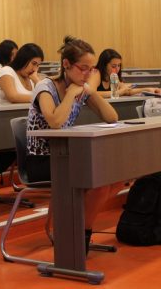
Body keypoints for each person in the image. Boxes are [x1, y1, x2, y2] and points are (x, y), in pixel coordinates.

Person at [27, 36, 118, 252]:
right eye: (83, 68)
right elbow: (55, 122)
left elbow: (111, 116)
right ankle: (78, 235)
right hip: (42, 160)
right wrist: (70, 95)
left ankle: (77, 231)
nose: (87, 74)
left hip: (66, 156)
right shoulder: (45, 87)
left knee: (114, 177)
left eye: (92, 69)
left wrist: (90, 90)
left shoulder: (80, 88)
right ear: (66, 65)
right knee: (98, 179)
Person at [88, 49, 161, 98]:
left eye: (119, 65)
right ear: (104, 65)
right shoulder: (96, 73)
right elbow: (91, 93)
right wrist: (118, 92)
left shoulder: (113, 76)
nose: (117, 69)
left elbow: (127, 91)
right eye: (113, 66)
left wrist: (148, 89)